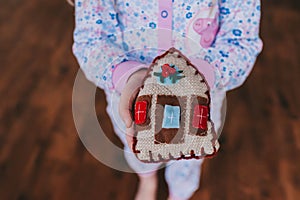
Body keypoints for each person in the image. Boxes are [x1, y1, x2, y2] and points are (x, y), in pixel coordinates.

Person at [72, 0, 263, 199]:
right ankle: (147, 178)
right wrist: (130, 75)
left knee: (188, 158)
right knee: (140, 147)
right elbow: (92, 40)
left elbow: (241, 41)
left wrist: (197, 78)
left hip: (203, 96)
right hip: (130, 95)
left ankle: (180, 192)